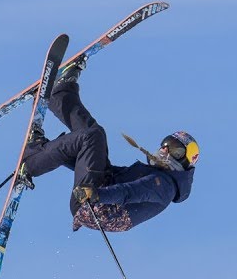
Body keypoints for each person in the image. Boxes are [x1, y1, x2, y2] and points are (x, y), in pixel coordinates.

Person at [19, 60, 197, 233]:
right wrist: (60, 152)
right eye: (165, 143)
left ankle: (31, 162)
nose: (165, 149)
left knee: (94, 136)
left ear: (185, 160)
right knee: (93, 135)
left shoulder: (165, 186)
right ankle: (60, 94)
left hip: (96, 208)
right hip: (95, 196)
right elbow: (97, 165)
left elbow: (129, 192)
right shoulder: (157, 176)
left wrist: (95, 195)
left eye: (175, 149)